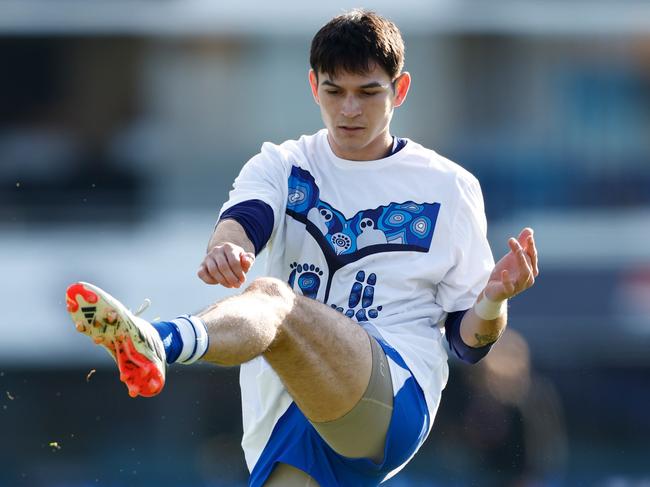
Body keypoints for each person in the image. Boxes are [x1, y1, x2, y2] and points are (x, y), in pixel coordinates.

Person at [65, 10, 539, 487]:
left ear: (400, 89)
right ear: (314, 87)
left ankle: (158, 340)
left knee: (277, 300)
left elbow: (467, 342)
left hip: (393, 398)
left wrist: (494, 299)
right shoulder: (281, 164)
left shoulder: (449, 187)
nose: (349, 109)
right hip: (289, 411)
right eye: (335, 92)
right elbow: (244, 219)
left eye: (368, 92)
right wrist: (227, 249)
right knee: (276, 306)